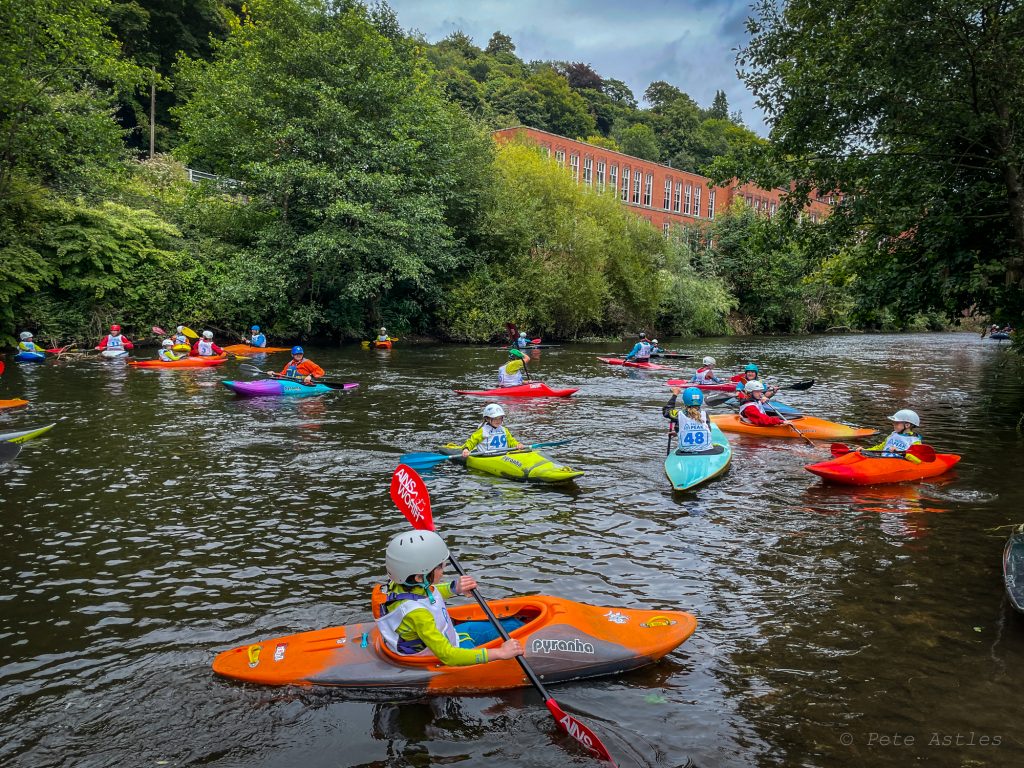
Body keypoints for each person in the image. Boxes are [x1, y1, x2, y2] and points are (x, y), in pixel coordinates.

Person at [376, 530, 524, 666]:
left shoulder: (402, 583)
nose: (443, 569)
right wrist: (499, 653)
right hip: (441, 654)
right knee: (509, 642)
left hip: (451, 636)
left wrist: (455, 588)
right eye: (439, 567)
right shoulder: (418, 614)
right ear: (419, 577)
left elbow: (429, 592)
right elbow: (448, 656)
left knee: (513, 625)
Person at [663, 386, 713, 452]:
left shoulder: (678, 414)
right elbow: (707, 430)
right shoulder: (704, 414)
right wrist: (678, 432)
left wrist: (675, 394)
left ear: (685, 400)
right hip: (705, 450)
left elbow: (667, 411)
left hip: (686, 451)